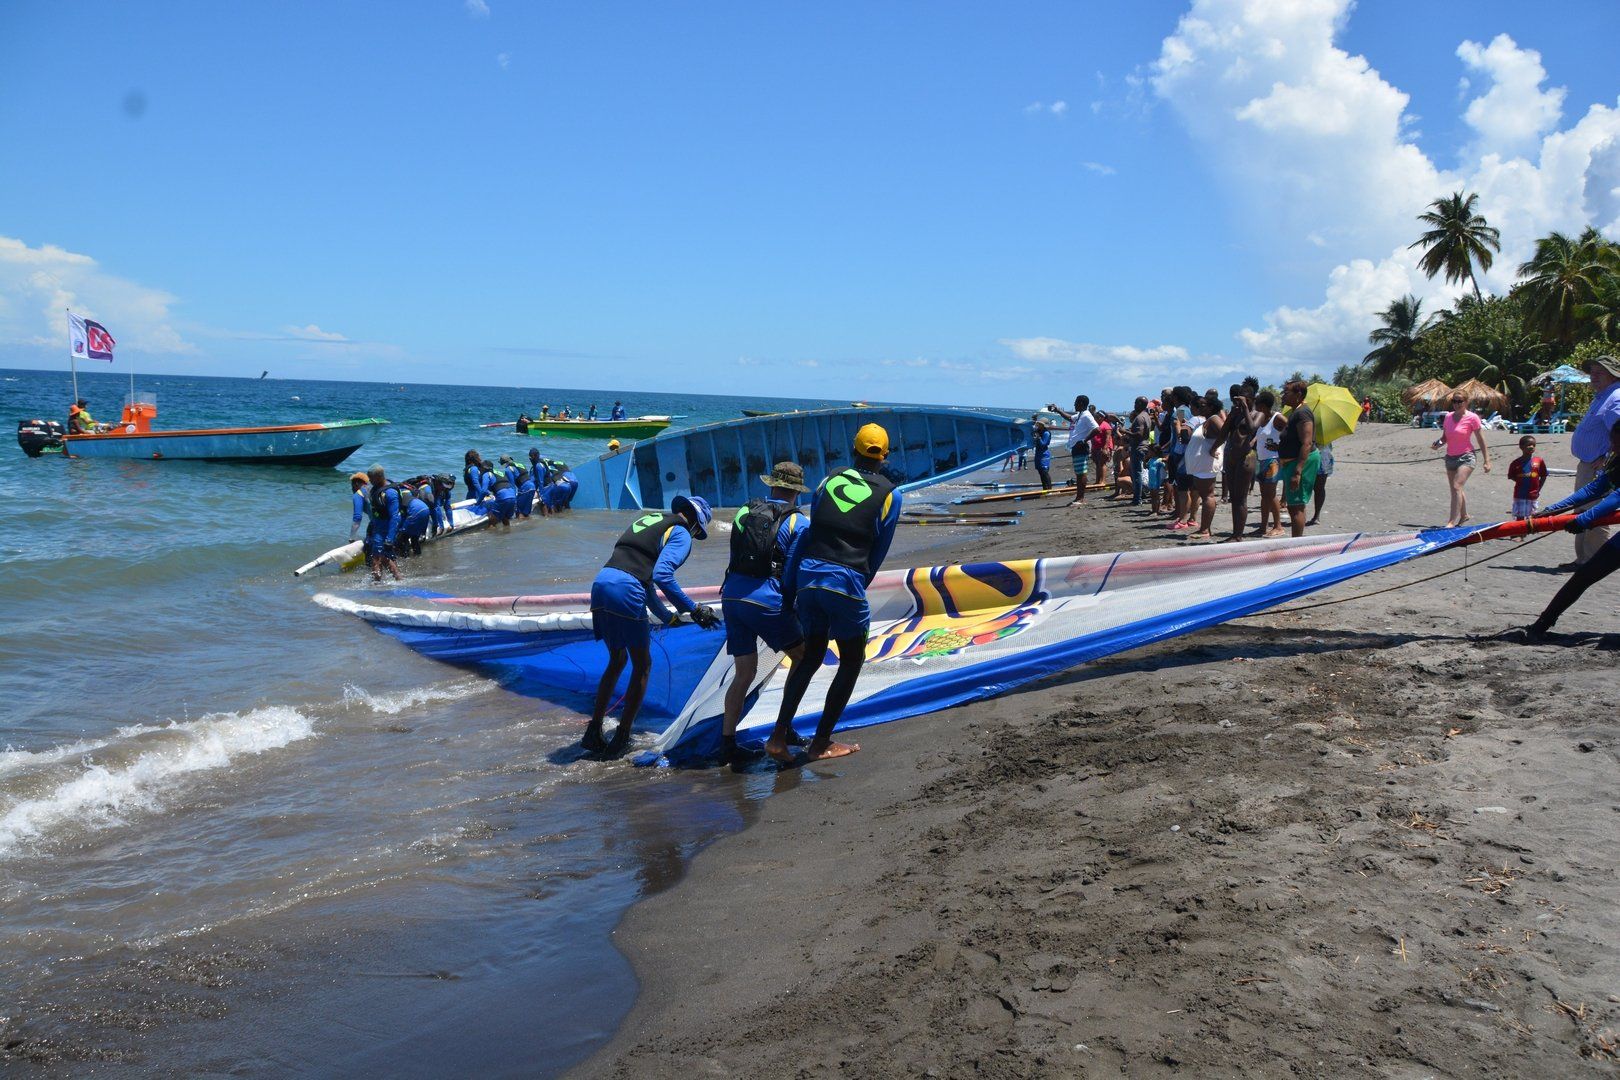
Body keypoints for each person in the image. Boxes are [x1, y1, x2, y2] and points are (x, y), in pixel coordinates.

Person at [763, 424, 902, 763]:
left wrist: (791, 590)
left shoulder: (828, 481)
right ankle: (821, 742)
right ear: (884, 456)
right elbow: (878, 552)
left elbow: (812, 532)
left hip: (809, 575)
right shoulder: (891, 495)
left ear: (853, 450)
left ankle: (778, 738)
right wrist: (855, 586)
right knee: (851, 661)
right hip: (846, 579)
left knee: (811, 656)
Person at [584, 495, 719, 757]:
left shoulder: (650, 521)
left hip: (601, 584)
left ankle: (593, 731)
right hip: (626, 589)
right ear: (695, 523)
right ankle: (622, 737)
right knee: (643, 665)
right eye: (698, 531)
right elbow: (662, 575)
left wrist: (669, 617)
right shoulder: (682, 532)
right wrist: (694, 609)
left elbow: (643, 579)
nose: (695, 536)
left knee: (617, 660)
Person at [718, 462, 813, 770]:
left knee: (744, 673)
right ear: (797, 491)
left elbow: (735, 554)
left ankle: (727, 744)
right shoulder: (799, 522)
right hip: (766, 600)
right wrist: (793, 607)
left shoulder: (744, 510)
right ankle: (784, 729)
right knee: (802, 657)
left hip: (731, 596)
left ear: (771, 484)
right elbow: (792, 574)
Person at [1519, 420, 1620, 639]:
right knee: (1584, 575)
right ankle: (1541, 625)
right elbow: (1594, 489)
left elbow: (1617, 497)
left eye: (1616, 443)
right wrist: (1552, 510)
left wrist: (1585, 518)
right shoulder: (1617, 462)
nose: (1612, 447)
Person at [1567, 353, 1620, 564]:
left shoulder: (1615, 398)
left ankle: (1594, 561)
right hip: (1588, 464)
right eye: (1592, 372)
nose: (1593, 376)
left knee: (1595, 515)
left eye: (1600, 373)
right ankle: (1582, 559)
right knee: (1582, 511)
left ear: (1613, 376)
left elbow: (1619, 433)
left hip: (1597, 467)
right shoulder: (1603, 396)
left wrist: (1608, 458)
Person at [1432, 390, 1490, 527]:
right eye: (1454, 401)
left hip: (1466, 456)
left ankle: (1451, 522)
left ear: (1466, 402)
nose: (1456, 404)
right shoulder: (1448, 417)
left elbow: (1481, 440)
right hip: (1450, 457)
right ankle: (1464, 515)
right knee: (1456, 489)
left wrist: (1487, 460)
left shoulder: (1472, 418)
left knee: (1456, 485)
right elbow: (1445, 437)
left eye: (1459, 401)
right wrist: (1437, 444)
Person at [1275, 380, 1317, 538]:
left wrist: (1297, 472)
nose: (1283, 396)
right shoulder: (1296, 411)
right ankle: (1296, 541)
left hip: (1300, 463)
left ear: (1298, 394)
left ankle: (1296, 543)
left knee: (1296, 506)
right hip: (1292, 461)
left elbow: (1307, 443)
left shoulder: (1302, 413)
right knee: (1294, 505)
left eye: (1286, 392)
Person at [1182, 391, 1224, 540]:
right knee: (1205, 495)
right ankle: (1205, 528)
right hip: (1202, 465)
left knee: (1208, 496)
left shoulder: (1214, 418)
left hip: (1206, 464)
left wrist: (1214, 448)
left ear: (1211, 407)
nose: (1201, 407)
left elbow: (1224, 433)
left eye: (1204, 405)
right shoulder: (1207, 420)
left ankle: (1205, 529)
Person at [1222, 383, 1256, 541]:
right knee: (1234, 498)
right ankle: (1235, 533)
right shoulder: (1236, 413)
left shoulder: (1256, 413)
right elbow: (1224, 431)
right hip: (1231, 457)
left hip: (1245, 458)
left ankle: (1238, 535)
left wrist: (1246, 409)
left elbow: (1251, 428)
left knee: (1241, 498)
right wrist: (1232, 414)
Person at [1048, 397, 1097, 505]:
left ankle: (1080, 498)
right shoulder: (1080, 414)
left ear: (1081, 403)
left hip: (1081, 447)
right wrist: (1057, 410)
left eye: (1076, 403)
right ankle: (1078, 497)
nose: (1074, 405)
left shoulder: (1087, 415)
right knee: (1078, 473)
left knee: (1081, 473)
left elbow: (1097, 429)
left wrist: (1084, 440)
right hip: (1076, 447)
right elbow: (1070, 418)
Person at [1252, 391, 1284, 537]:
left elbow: (1292, 433)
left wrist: (1280, 446)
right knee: (1264, 495)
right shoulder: (1262, 420)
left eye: (1257, 405)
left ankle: (1278, 526)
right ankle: (1263, 526)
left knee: (1271, 494)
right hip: (1261, 460)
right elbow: (1259, 437)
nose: (1255, 408)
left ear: (1263, 406)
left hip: (1273, 460)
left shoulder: (1278, 418)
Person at [363, 465, 401, 581]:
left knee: (377, 557)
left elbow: (395, 517)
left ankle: (378, 582)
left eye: (371, 478)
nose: (369, 480)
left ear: (379, 477)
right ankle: (396, 579)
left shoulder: (390, 493)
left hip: (385, 530)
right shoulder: (376, 489)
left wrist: (390, 539)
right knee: (383, 557)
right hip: (377, 528)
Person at [1508, 436, 1548, 522]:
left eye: (1534, 445)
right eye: (1529, 445)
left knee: (1532, 516)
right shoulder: (1516, 463)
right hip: (1520, 494)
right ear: (1521, 447)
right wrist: (1522, 480)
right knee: (1520, 517)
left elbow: (1544, 475)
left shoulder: (1539, 461)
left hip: (1533, 494)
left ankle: (1529, 529)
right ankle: (1519, 529)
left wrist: (1538, 488)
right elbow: (1511, 476)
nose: (1532, 447)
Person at [1125, 396, 1151, 506]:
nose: (1134, 405)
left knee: (1136, 474)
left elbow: (1139, 434)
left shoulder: (1140, 417)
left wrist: (1125, 432)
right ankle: (1139, 496)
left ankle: (1137, 498)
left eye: (1136, 403)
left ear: (1140, 404)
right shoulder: (1146, 416)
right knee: (1137, 473)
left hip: (1138, 447)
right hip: (1142, 446)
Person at [396, 479, 432, 556]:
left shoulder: (398, 495)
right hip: (425, 508)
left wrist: (399, 530)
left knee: (402, 538)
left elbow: (402, 517)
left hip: (416, 511)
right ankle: (417, 555)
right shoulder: (408, 493)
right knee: (414, 537)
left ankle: (405, 557)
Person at [1308, 440, 1333, 527]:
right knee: (1306, 487)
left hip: (1322, 457)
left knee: (1319, 488)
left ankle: (1316, 515)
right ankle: (1312, 515)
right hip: (1310, 455)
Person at [486, 462, 517, 528]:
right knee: (504, 517)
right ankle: (507, 531)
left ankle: (491, 533)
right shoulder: (501, 473)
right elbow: (512, 484)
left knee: (492, 519)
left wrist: (478, 502)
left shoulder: (487, 474)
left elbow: (483, 490)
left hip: (503, 496)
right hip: (512, 495)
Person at [1030, 420, 1053, 490]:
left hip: (1044, 454)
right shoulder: (1038, 431)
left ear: (1043, 425)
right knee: (1040, 472)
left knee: (1044, 472)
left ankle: (1050, 489)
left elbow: (1043, 444)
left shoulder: (1046, 433)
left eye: (1039, 424)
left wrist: (1038, 438)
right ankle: (1044, 489)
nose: (1038, 425)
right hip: (1038, 453)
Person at [348, 472, 371, 541]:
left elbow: (357, 518)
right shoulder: (373, 489)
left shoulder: (358, 494)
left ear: (356, 484)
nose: (352, 488)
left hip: (378, 525)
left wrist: (351, 538)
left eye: (352, 485)